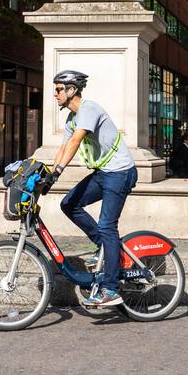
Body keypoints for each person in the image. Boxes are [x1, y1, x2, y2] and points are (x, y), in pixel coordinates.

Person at [50, 69, 138, 309]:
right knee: (69, 204)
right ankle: (105, 248)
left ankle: (110, 289)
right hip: (104, 173)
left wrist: (58, 172)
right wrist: (48, 175)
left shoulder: (89, 109)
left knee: (107, 225)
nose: (55, 94)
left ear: (72, 90)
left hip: (120, 173)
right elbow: (64, 147)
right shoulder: (71, 118)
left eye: (58, 89)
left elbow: (77, 141)